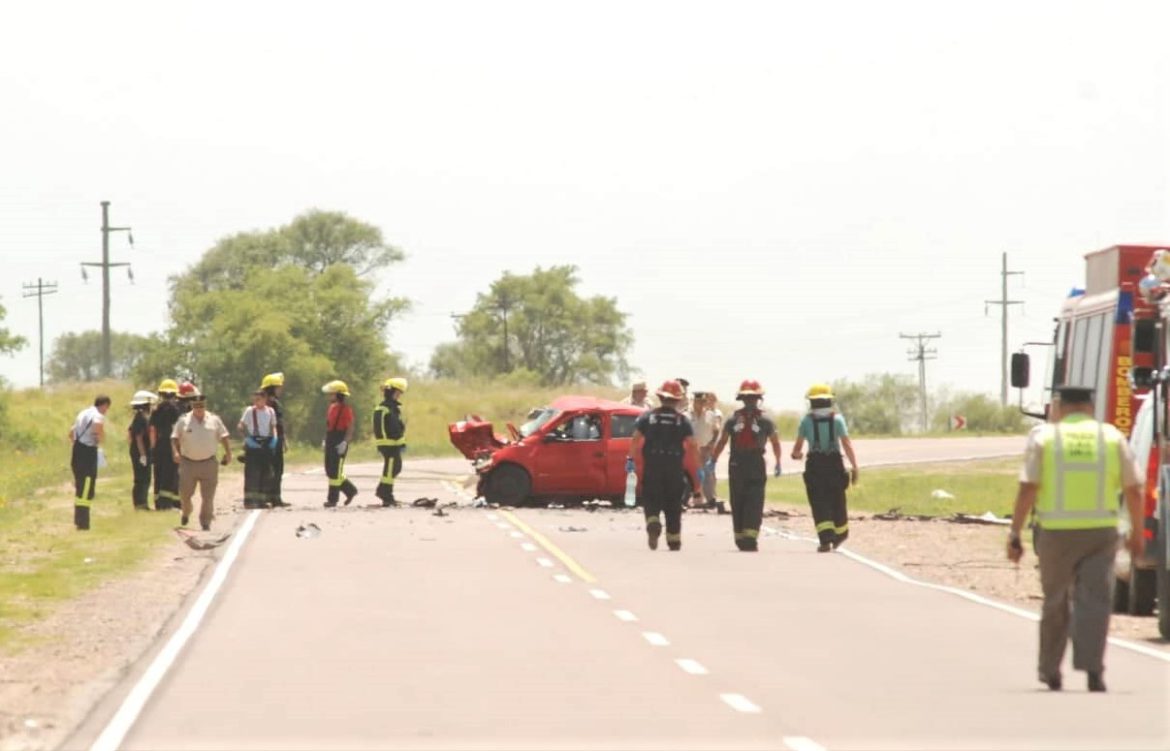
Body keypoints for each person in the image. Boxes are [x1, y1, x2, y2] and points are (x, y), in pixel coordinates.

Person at [1007, 384, 1144, 693]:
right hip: (1101, 533)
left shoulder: (1045, 438)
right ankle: (1093, 669)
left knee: (1056, 601)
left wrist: (1014, 532)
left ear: (1059, 407)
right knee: (1095, 601)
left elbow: (1028, 487)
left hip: (1055, 534)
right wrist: (1136, 532)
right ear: (1090, 407)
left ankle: (1050, 670)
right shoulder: (1110, 437)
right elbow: (1134, 488)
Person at [627, 380, 702, 551]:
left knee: (651, 499)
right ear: (677, 400)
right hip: (674, 468)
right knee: (673, 505)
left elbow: (635, 439)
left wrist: (630, 461)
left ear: (660, 397)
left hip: (652, 466)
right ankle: (673, 540)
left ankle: (653, 521)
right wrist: (698, 477)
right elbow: (692, 445)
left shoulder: (647, 417)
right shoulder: (682, 421)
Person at [711, 380, 782, 551]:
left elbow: (722, 442)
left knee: (738, 499)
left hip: (736, 463)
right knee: (755, 500)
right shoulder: (766, 420)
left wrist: (713, 460)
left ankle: (741, 537)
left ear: (741, 398)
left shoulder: (732, 419)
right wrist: (778, 461)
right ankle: (750, 537)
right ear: (759, 398)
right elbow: (775, 443)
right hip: (756, 462)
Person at [791, 383, 859, 552]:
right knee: (837, 500)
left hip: (815, 465)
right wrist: (855, 466)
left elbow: (797, 450)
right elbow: (847, 444)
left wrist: (796, 455)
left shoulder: (806, 421)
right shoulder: (838, 419)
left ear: (811, 403)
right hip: (834, 464)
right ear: (829, 401)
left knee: (819, 502)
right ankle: (840, 534)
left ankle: (825, 540)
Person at [171, 391, 232, 531]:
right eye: (196, 406)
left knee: (208, 496)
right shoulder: (183, 420)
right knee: (185, 494)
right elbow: (174, 437)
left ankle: (205, 521)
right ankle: (186, 512)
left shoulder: (214, 420)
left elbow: (224, 436)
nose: (199, 409)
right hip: (188, 463)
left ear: (205, 406)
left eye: (201, 406)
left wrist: (228, 453)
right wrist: (175, 451)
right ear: (192, 406)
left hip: (209, 463)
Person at [69, 395, 111, 530]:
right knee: (87, 487)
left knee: (80, 486)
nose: (106, 411)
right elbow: (98, 427)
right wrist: (100, 438)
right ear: (104, 405)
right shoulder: (97, 415)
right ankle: (83, 523)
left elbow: (71, 432)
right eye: (107, 408)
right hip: (88, 452)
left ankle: (78, 519)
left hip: (77, 450)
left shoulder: (83, 413)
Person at [239, 389, 279, 509]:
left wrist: (275, 439)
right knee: (252, 473)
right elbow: (241, 426)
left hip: (267, 442)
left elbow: (273, 427)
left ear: (265, 399)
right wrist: (247, 439)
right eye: (254, 399)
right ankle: (250, 501)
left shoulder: (270, 411)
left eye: (259, 399)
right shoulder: (250, 411)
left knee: (266, 473)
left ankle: (262, 500)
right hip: (253, 442)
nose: (256, 402)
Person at [322, 380, 359, 507]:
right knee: (329, 470)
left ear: (338, 395)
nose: (329, 396)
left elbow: (350, 427)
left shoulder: (346, 410)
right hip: (330, 439)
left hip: (340, 439)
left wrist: (345, 442)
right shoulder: (331, 408)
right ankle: (350, 490)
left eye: (332, 394)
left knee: (336, 472)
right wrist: (325, 439)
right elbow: (328, 425)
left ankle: (332, 499)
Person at [373, 377, 408, 507]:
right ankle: (386, 495)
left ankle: (383, 491)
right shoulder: (387, 408)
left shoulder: (387, 407)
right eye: (398, 393)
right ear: (391, 392)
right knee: (391, 469)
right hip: (390, 445)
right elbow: (394, 429)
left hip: (388, 444)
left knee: (393, 468)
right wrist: (400, 442)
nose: (399, 396)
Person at [149, 379, 182, 511]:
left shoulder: (156, 410)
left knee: (158, 473)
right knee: (169, 474)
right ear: (174, 395)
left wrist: (153, 447)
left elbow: (152, 430)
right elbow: (178, 429)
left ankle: (158, 502)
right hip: (171, 445)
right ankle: (166, 504)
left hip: (159, 445)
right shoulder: (175, 410)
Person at [261, 372, 289, 507]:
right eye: (278, 387)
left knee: (274, 469)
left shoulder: (269, 403)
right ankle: (272, 497)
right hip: (272, 440)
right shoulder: (270, 404)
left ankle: (272, 497)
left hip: (273, 439)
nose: (280, 389)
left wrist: (284, 439)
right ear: (272, 388)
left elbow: (279, 423)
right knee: (274, 469)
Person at [690, 390, 722, 507]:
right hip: (691, 450)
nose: (700, 404)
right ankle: (694, 498)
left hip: (705, 448)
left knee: (707, 474)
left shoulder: (711, 415)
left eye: (703, 402)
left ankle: (710, 499)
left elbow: (717, 430)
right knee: (691, 473)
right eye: (698, 402)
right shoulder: (687, 415)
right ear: (694, 402)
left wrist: (712, 443)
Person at [127, 390, 155, 510]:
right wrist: (142, 455)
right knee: (142, 478)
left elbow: (129, 434)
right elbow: (138, 437)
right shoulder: (140, 418)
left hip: (138, 452)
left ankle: (141, 503)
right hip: (140, 453)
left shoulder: (139, 417)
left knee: (143, 478)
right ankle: (140, 504)